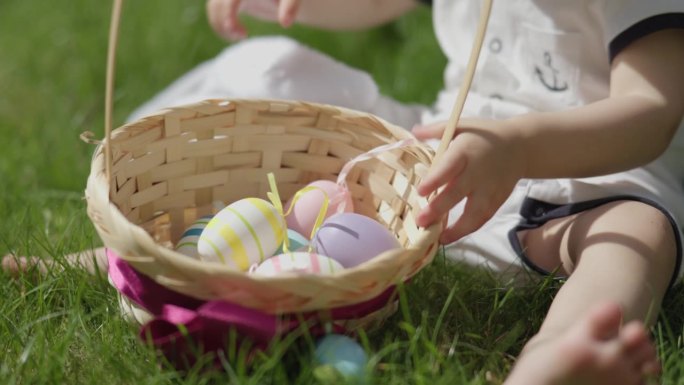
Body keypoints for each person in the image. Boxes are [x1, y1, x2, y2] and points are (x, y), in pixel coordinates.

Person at [4, 1, 683, 384]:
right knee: (276, 75)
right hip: (439, 167)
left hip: (585, 184)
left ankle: (556, 358)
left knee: (634, 235)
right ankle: (136, 259)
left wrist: (519, 149)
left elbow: (652, 111)